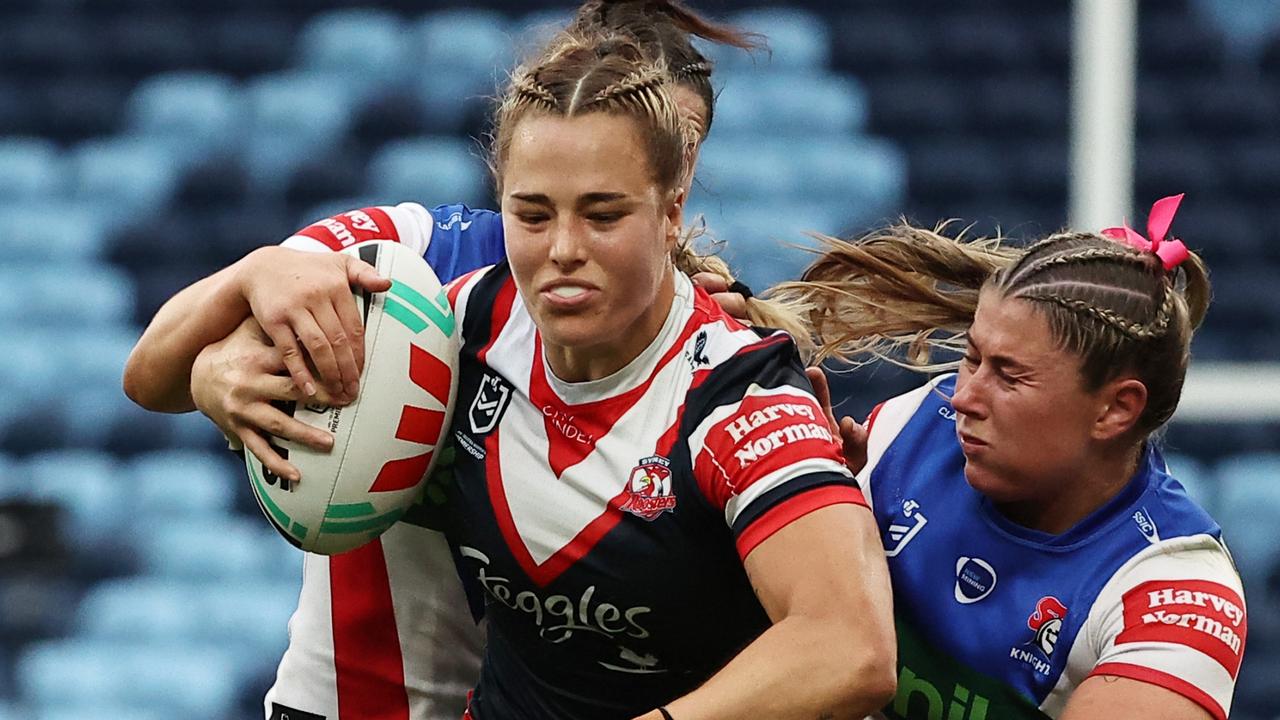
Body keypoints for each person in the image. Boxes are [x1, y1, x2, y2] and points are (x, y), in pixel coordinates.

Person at [126, 21, 896, 720]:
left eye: (603, 213)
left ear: (674, 201)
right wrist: (223, 359)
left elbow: (851, 647)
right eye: (534, 213)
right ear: (502, 192)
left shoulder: (735, 389)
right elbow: (156, 373)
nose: (563, 246)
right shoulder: (426, 299)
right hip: (342, 697)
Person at [780, 195, 1246, 720]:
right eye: (972, 358)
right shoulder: (905, 435)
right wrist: (797, 507)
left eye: (1008, 375)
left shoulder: (1174, 591)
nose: (963, 397)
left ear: (1116, 409)